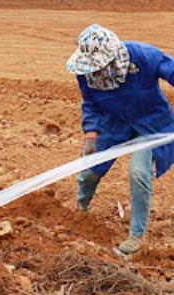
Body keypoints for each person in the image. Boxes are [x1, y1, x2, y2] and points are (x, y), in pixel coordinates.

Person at [67, 24, 174, 255]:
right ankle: (80, 210)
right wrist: (90, 135)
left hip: (150, 125)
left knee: (139, 173)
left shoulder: (143, 56)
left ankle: (136, 237)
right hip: (114, 125)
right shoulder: (85, 73)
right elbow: (90, 103)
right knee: (90, 171)